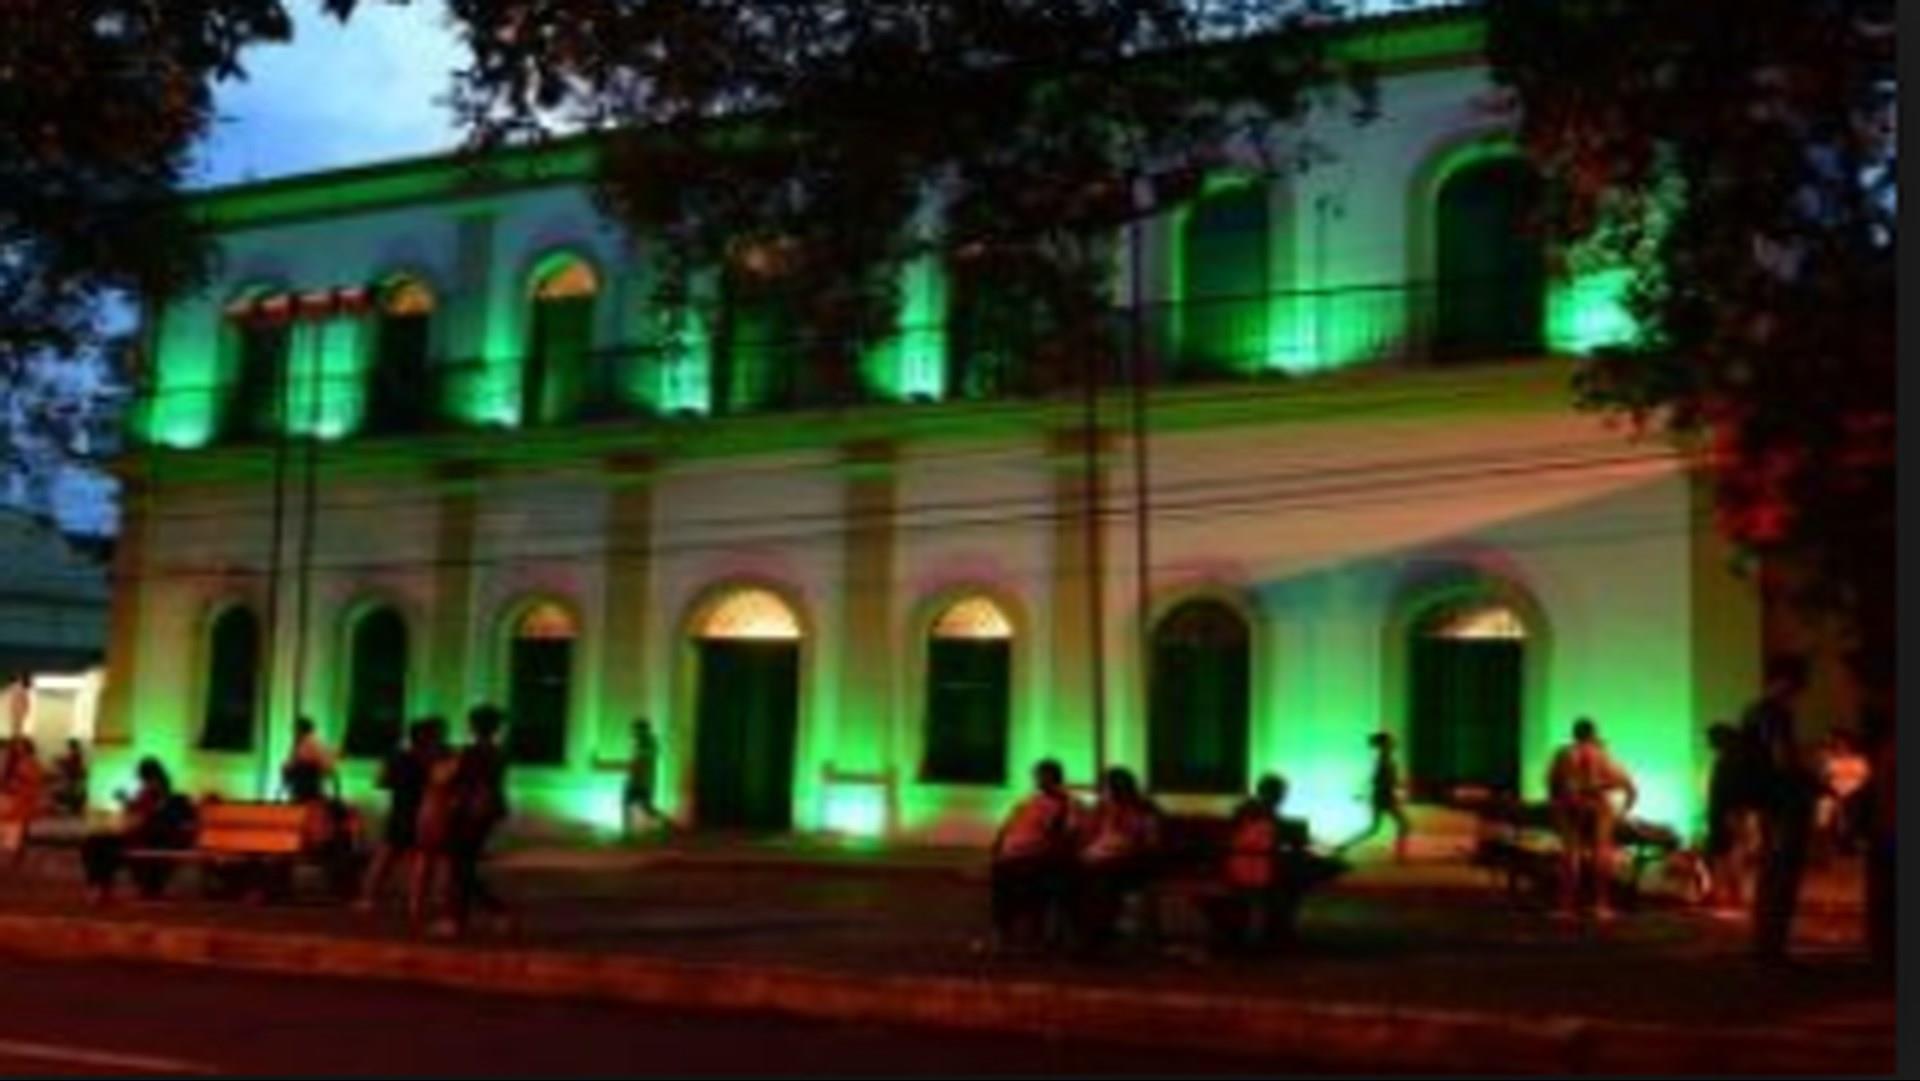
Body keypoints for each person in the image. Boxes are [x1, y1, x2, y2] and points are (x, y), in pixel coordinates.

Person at [1215, 773, 1345, 954]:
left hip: (1240, 864)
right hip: (1257, 869)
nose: (1284, 798)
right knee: (1300, 878)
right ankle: (1281, 929)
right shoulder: (1267, 815)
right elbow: (1294, 840)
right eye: (1282, 793)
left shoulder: (1245, 810)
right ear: (1276, 794)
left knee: (1295, 878)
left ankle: (1279, 927)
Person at [1744, 656, 1818, 962]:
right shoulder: (1776, 713)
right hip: (1783, 801)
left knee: (1770, 872)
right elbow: (1783, 759)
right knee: (1782, 872)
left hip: (1765, 799)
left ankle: (1765, 942)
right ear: (1788, 682)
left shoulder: (1753, 711)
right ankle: (1772, 946)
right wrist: (1808, 776)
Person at [985, 759, 1082, 954]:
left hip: (1038, 855)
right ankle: (1003, 931)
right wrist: (1000, 844)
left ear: (1054, 778)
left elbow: (1065, 834)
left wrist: (1044, 848)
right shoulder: (1030, 801)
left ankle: (1022, 933)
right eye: (1037, 776)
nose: (1038, 780)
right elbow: (1009, 823)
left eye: (1042, 776)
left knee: (1023, 880)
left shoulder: (1066, 804)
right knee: (1002, 878)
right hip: (1015, 852)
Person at [1546, 718, 1637, 921]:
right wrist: (1623, 811)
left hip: (1570, 804)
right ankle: (1601, 905)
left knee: (1570, 853)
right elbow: (1630, 787)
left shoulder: (1564, 753)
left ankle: (1566, 906)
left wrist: (1556, 806)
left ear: (1574, 734)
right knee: (1601, 853)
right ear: (1593, 733)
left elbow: (1552, 783)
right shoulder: (1604, 755)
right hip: (1599, 805)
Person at [434, 705, 513, 938]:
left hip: (467, 812)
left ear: (474, 726)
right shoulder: (500, 753)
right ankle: (469, 917)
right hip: (487, 812)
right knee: (463, 867)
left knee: (460, 867)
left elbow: (447, 779)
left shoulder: (470, 753)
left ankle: (464, 918)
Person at [356, 717, 447, 918]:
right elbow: (439, 783)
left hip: (402, 808)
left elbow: (381, 782)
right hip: (423, 811)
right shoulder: (433, 759)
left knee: (388, 854)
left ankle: (368, 897)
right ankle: (415, 902)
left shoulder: (399, 757)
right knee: (421, 857)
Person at [78, 757, 196, 903]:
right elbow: (139, 813)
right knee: (95, 843)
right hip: (136, 837)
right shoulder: (150, 793)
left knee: (100, 845)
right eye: (144, 780)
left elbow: (151, 818)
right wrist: (128, 804)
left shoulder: (169, 798)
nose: (145, 783)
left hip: (146, 840)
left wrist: (133, 809)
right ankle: (100, 886)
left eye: (145, 779)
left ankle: (100, 887)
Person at [1071, 766, 1162, 953]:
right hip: (1100, 858)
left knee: (1100, 879)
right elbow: (1088, 835)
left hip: (1131, 861)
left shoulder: (1143, 809)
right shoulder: (1103, 809)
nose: (1109, 793)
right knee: (1076, 877)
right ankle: (1088, 934)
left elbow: (1150, 842)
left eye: (1111, 788)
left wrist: (1125, 845)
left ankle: (1096, 936)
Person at [1703, 721, 1762, 917]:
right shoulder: (1732, 758)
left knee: (1731, 855)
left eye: (1711, 739)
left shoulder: (1731, 760)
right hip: (1729, 812)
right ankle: (1731, 897)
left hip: (1729, 813)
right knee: (1729, 855)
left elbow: (1729, 791)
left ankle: (1733, 898)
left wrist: (1731, 813)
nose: (1708, 743)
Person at [1338, 731, 1411, 863]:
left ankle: (1343, 845)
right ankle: (1400, 856)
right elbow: (1381, 780)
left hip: (1382, 796)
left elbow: (1377, 779)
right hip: (1384, 797)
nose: (1394, 743)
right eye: (1390, 741)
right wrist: (1397, 786)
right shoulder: (1384, 760)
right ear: (1385, 744)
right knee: (1403, 825)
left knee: (1374, 829)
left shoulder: (1384, 759)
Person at [622, 717, 671, 840]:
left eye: (635, 730)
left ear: (642, 730)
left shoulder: (648, 743)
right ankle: (628, 832)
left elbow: (639, 763)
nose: (632, 733)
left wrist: (606, 765)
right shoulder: (641, 743)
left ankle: (666, 824)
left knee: (644, 807)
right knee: (632, 805)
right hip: (637, 781)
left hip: (642, 782)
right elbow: (635, 763)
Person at [0, 737, 44, 864]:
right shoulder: (13, 762)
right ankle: (15, 852)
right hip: (14, 799)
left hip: (24, 798)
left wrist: (18, 783)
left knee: (21, 827)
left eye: (21, 747)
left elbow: (33, 780)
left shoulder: (31, 763)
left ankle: (17, 853)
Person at [280, 717, 338, 803]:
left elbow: (323, 764)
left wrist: (288, 768)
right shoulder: (305, 742)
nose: (293, 732)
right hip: (304, 784)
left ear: (301, 729)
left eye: (295, 729)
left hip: (307, 785)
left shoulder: (310, 743)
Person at [52, 738, 88, 817]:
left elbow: (70, 765)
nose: (68, 749)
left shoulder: (75, 755)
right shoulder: (75, 755)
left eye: (69, 747)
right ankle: (73, 809)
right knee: (71, 792)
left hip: (73, 777)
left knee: (71, 793)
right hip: (73, 778)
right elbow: (69, 764)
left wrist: (60, 762)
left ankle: (72, 809)